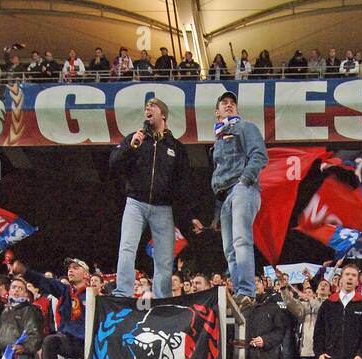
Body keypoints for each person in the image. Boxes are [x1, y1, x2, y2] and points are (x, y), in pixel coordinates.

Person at [110, 99, 193, 299]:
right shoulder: (134, 139)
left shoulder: (175, 147)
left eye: (152, 107)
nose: (147, 109)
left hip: (163, 208)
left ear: (162, 115)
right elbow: (113, 164)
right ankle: (123, 292)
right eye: (146, 107)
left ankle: (162, 298)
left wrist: (188, 215)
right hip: (135, 203)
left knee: (164, 258)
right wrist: (130, 147)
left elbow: (183, 183)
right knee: (127, 247)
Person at [210, 91, 268, 311]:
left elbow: (259, 155)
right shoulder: (218, 140)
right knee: (229, 249)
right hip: (225, 196)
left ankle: (245, 291)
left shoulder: (245, 127)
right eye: (223, 102)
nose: (229, 105)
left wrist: (245, 180)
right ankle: (240, 293)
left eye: (232, 103)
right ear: (217, 112)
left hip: (242, 188)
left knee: (242, 240)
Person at [313, 264, 362, 359]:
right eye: (347, 274)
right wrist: (319, 354)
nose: (350, 278)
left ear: (357, 282)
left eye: (354, 275)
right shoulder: (328, 304)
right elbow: (319, 332)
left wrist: (361, 355)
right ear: (341, 279)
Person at [0, 276, 44, 359]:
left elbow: (35, 334)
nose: (16, 290)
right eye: (14, 287)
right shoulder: (4, 310)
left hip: (22, 357)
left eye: (20, 288)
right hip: (4, 356)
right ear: (9, 291)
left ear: (25, 293)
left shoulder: (30, 310)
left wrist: (25, 348)